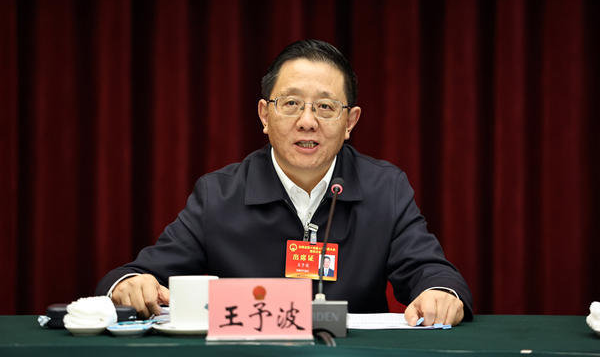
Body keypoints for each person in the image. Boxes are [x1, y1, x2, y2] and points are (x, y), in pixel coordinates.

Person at [96, 39, 473, 326]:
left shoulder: (384, 189)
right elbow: (138, 275)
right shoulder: (218, 195)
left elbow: (431, 271)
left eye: (325, 107)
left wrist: (440, 292)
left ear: (350, 122)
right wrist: (129, 285)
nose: (307, 122)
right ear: (265, 115)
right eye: (291, 103)